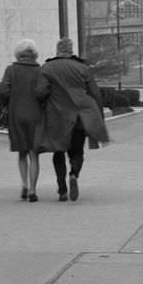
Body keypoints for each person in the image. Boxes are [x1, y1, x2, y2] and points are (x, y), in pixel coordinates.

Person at [35, 37, 110, 202]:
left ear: (57, 50)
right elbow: (94, 93)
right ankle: (74, 173)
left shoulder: (47, 68)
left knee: (58, 152)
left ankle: (62, 189)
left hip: (57, 116)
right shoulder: (82, 68)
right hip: (79, 116)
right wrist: (99, 115)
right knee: (77, 151)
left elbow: (40, 92)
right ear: (71, 50)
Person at [0, 39, 43, 202]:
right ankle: (33, 189)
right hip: (36, 115)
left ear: (18, 54)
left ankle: (23, 183)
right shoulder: (40, 71)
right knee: (34, 153)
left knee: (22, 152)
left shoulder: (11, 70)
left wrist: (9, 103)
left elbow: (3, 91)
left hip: (16, 114)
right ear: (34, 54)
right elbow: (42, 92)